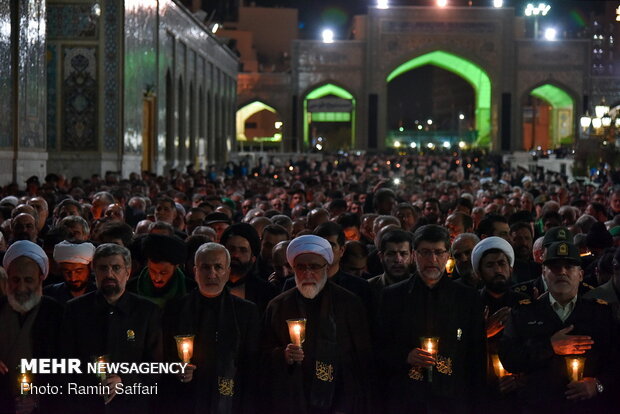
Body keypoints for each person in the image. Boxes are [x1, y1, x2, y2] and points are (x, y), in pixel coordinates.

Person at [377, 224, 486, 412]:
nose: (432, 260)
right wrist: (405, 355)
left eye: (438, 252)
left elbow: (475, 356)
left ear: (447, 255)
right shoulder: (392, 296)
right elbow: (379, 346)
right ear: (414, 254)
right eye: (425, 252)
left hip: (453, 398)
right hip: (407, 397)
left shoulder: (467, 298)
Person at [499, 241, 618, 413]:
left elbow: (615, 362)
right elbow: (509, 359)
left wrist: (598, 385)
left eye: (569, 267)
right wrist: (549, 346)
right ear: (544, 273)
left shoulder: (601, 313)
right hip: (538, 406)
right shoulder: (523, 313)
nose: (562, 272)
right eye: (554, 267)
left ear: (581, 275)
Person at [261, 235, 373, 414]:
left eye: (314, 267)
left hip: (340, 399)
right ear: (293, 268)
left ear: (326, 268)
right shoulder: (278, 306)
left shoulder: (349, 304)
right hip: (293, 397)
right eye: (301, 267)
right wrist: (283, 355)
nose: (307, 273)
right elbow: (262, 354)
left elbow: (362, 358)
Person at [61, 243, 162, 414]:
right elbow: (65, 362)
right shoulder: (74, 310)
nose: (109, 274)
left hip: (131, 405)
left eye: (116, 268)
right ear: (95, 273)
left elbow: (156, 365)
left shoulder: (147, 312)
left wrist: (124, 380)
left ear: (128, 272)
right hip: (86, 404)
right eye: (103, 268)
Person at [160, 242, 259, 414]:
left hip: (231, 398)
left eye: (218, 267)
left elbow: (252, 363)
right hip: (186, 398)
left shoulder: (246, 311)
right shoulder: (175, 309)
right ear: (195, 271)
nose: (211, 274)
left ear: (227, 272)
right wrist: (175, 369)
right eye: (205, 267)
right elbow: (163, 355)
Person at [0, 241, 64, 414]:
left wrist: (38, 397)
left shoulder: (56, 313)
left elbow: (66, 367)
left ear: (41, 278)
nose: (21, 287)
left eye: (28, 280)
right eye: (15, 280)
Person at [220, 223, 278, 314]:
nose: (236, 255)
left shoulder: (265, 291)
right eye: (231, 249)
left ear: (253, 258)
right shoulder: (210, 285)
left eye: (243, 250)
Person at [127, 234, 194, 308]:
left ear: (176, 267)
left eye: (164, 272)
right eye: (152, 271)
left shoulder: (191, 290)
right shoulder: (130, 289)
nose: (157, 278)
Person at [368, 229, 413, 308]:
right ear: (381, 257)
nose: (398, 260)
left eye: (403, 254)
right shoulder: (368, 288)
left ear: (412, 256)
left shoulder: (422, 287)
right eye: (391, 254)